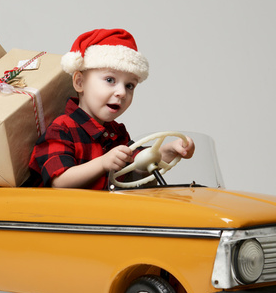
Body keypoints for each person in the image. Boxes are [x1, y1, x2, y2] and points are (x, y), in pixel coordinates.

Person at [28, 28, 194, 189]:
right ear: (79, 82)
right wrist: (102, 163)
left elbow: (139, 163)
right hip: (61, 215)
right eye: (110, 80)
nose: (122, 92)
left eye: (129, 85)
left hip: (104, 215)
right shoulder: (62, 128)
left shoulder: (116, 133)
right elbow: (59, 181)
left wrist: (167, 151)